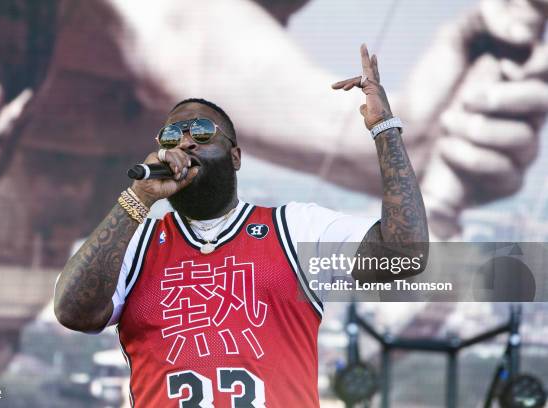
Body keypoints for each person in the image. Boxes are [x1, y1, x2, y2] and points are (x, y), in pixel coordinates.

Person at [54, 44, 429, 407]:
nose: (183, 143)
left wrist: (384, 128)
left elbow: (404, 252)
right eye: (170, 137)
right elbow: (74, 313)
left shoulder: (294, 228)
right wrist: (139, 198)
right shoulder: (137, 243)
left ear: (235, 156)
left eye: (201, 132)